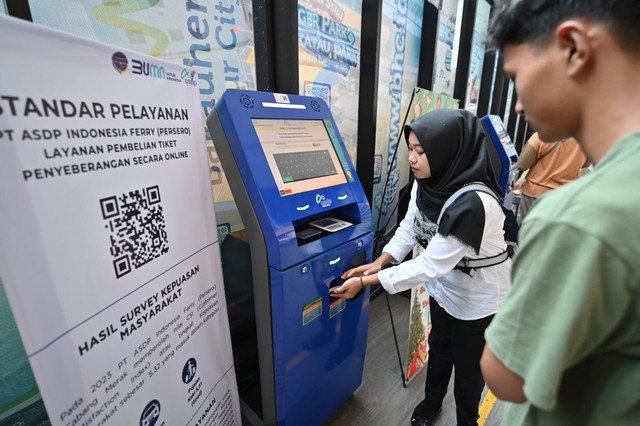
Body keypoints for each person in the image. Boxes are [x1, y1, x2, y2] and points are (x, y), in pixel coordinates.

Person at [480, 1, 640, 424]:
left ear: (572, 48)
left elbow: (505, 376)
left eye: (515, 77)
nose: (516, 104)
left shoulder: (579, 219)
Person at [331, 109, 511, 426]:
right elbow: (411, 229)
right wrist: (381, 260)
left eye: (420, 151)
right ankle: (431, 403)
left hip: (479, 300)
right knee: (439, 348)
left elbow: (428, 265)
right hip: (445, 290)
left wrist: (368, 281)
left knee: (470, 371)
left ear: (447, 150)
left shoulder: (473, 203)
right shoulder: (427, 181)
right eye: (410, 149)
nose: (412, 159)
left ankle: (468, 420)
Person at [515, 132, 587, 222]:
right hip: (565, 196)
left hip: (535, 195)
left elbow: (522, 164)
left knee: (529, 231)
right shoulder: (585, 140)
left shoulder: (541, 136)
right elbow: (585, 164)